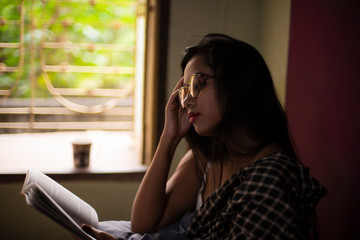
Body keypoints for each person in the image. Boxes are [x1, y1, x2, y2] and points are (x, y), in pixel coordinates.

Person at [78, 33, 327, 240]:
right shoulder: (206, 156)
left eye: (197, 83)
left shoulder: (271, 176)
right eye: (184, 89)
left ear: (238, 84)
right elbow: (143, 223)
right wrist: (169, 138)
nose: (186, 99)